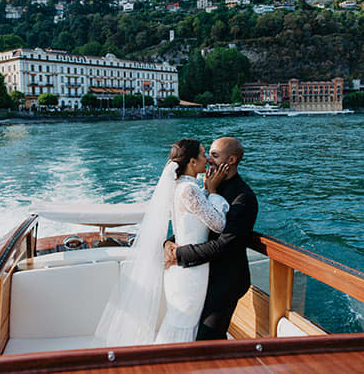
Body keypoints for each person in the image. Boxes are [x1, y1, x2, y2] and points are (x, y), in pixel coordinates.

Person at [95, 138, 230, 346]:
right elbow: (219, 224)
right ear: (192, 162)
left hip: (185, 266)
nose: (207, 160)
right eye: (203, 155)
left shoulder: (182, 186)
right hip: (191, 271)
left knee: (180, 324)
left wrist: (206, 189)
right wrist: (212, 192)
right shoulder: (189, 190)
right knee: (184, 325)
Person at [164, 137, 258, 341]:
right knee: (194, 331)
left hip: (226, 279)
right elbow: (195, 223)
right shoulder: (208, 186)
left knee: (207, 337)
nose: (208, 160)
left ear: (231, 160)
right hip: (201, 274)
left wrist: (179, 254)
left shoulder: (243, 198)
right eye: (207, 155)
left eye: (214, 156)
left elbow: (225, 245)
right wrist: (169, 242)